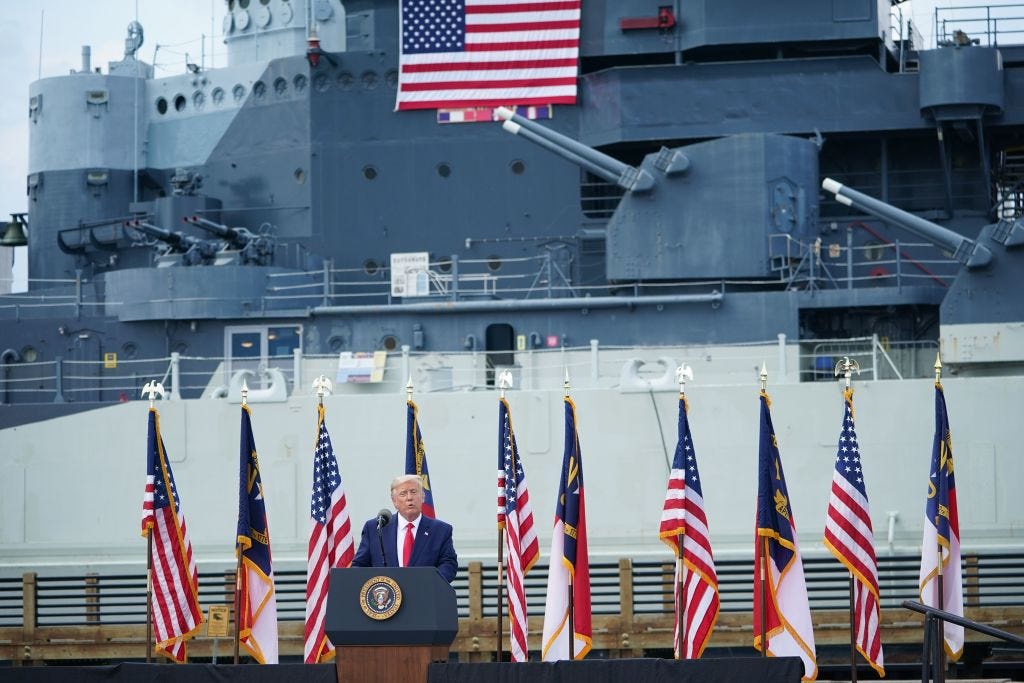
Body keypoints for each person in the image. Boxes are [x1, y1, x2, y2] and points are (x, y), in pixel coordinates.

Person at [352, 474, 458, 583]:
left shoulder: (440, 530)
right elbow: (360, 565)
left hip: (425, 594)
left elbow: (448, 564)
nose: (409, 498)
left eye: (413, 492)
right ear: (394, 501)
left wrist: (431, 583)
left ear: (423, 497)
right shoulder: (375, 528)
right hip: (385, 596)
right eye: (403, 494)